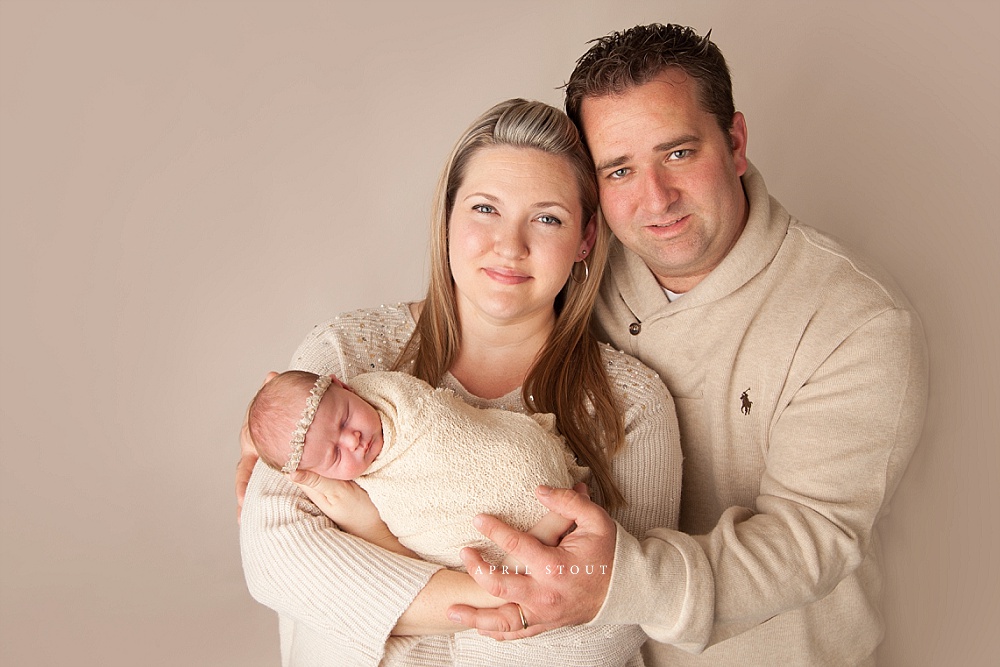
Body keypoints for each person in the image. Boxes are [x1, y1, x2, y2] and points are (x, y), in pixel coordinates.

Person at [449, 24, 928, 667]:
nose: (656, 199)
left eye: (677, 154)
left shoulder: (855, 319)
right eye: (619, 169)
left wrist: (613, 581)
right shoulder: (579, 262)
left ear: (734, 144)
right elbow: (468, 332)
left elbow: (809, 539)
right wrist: (292, 410)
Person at [238, 98, 683, 666]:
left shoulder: (631, 403)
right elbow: (276, 557)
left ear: (586, 239)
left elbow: (614, 621)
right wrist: (507, 591)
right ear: (447, 217)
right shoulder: (346, 352)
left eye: (547, 218)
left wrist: (373, 580)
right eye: (484, 209)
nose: (510, 244)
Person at [247, 368, 589, 568]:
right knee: (472, 552)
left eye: (346, 418)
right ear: (320, 474)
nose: (353, 441)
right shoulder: (359, 489)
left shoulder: (397, 400)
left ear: (344, 386)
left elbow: (447, 424)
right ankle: (531, 542)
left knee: (515, 460)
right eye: (335, 455)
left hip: (506, 456)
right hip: (471, 532)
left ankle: (538, 529)